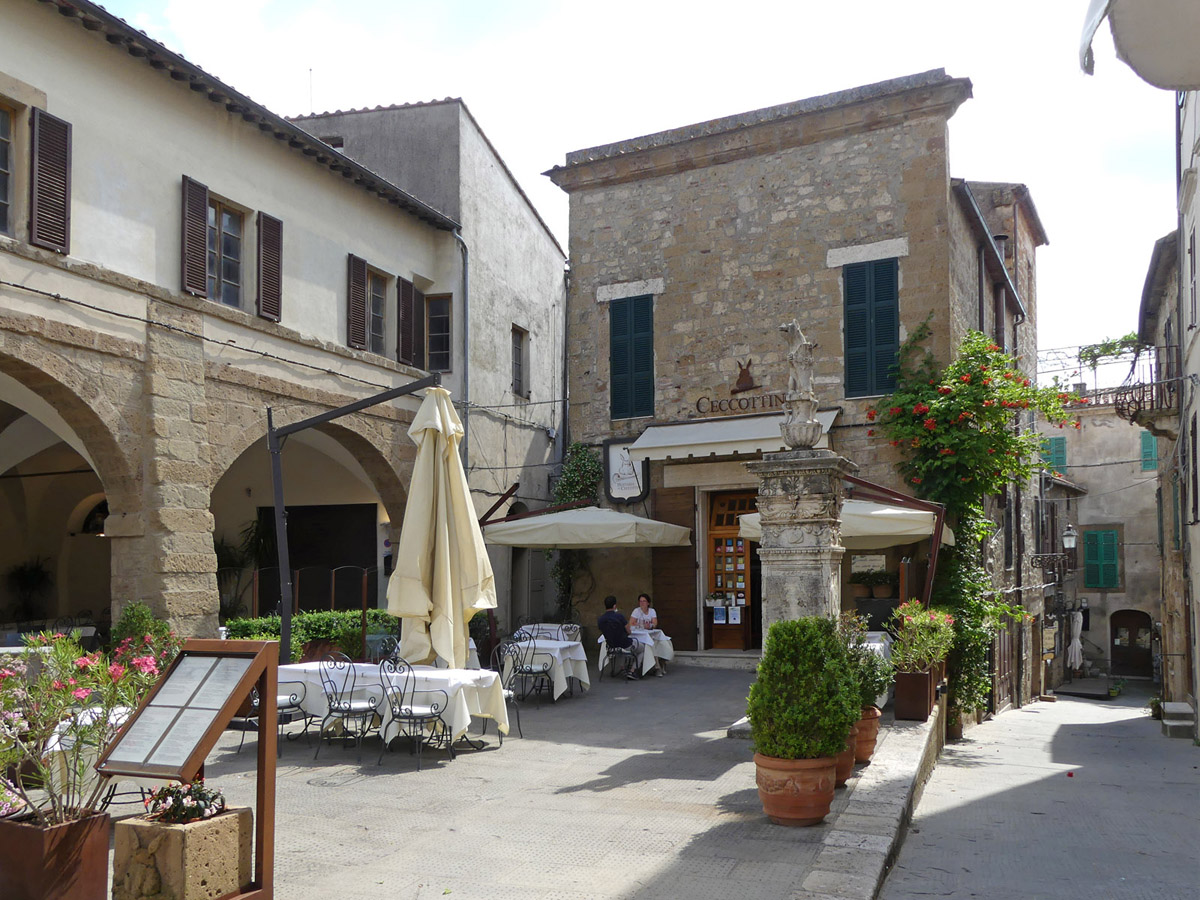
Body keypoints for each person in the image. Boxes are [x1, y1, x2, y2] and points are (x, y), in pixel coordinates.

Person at [597, 595, 639, 680]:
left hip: (611, 646)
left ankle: (623, 668)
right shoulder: (619, 616)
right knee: (643, 648)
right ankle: (632, 670)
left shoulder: (600, 619)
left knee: (620, 645)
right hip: (624, 644)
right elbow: (629, 631)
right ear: (614, 606)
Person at [630, 593, 666, 677]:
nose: (642, 603)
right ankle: (657, 667)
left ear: (648, 603)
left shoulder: (652, 611)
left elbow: (654, 624)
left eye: (644, 601)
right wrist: (641, 625)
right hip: (638, 637)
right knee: (651, 643)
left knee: (653, 643)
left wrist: (649, 626)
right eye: (640, 601)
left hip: (649, 635)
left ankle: (656, 666)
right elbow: (631, 623)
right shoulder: (636, 611)